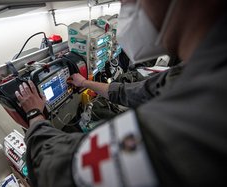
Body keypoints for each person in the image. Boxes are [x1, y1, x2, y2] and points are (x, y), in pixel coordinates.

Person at [14, 0, 227, 186]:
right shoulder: (190, 74)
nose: (126, 4)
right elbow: (131, 92)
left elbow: (57, 170)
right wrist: (86, 82)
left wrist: (34, 114)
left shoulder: (202, 111)